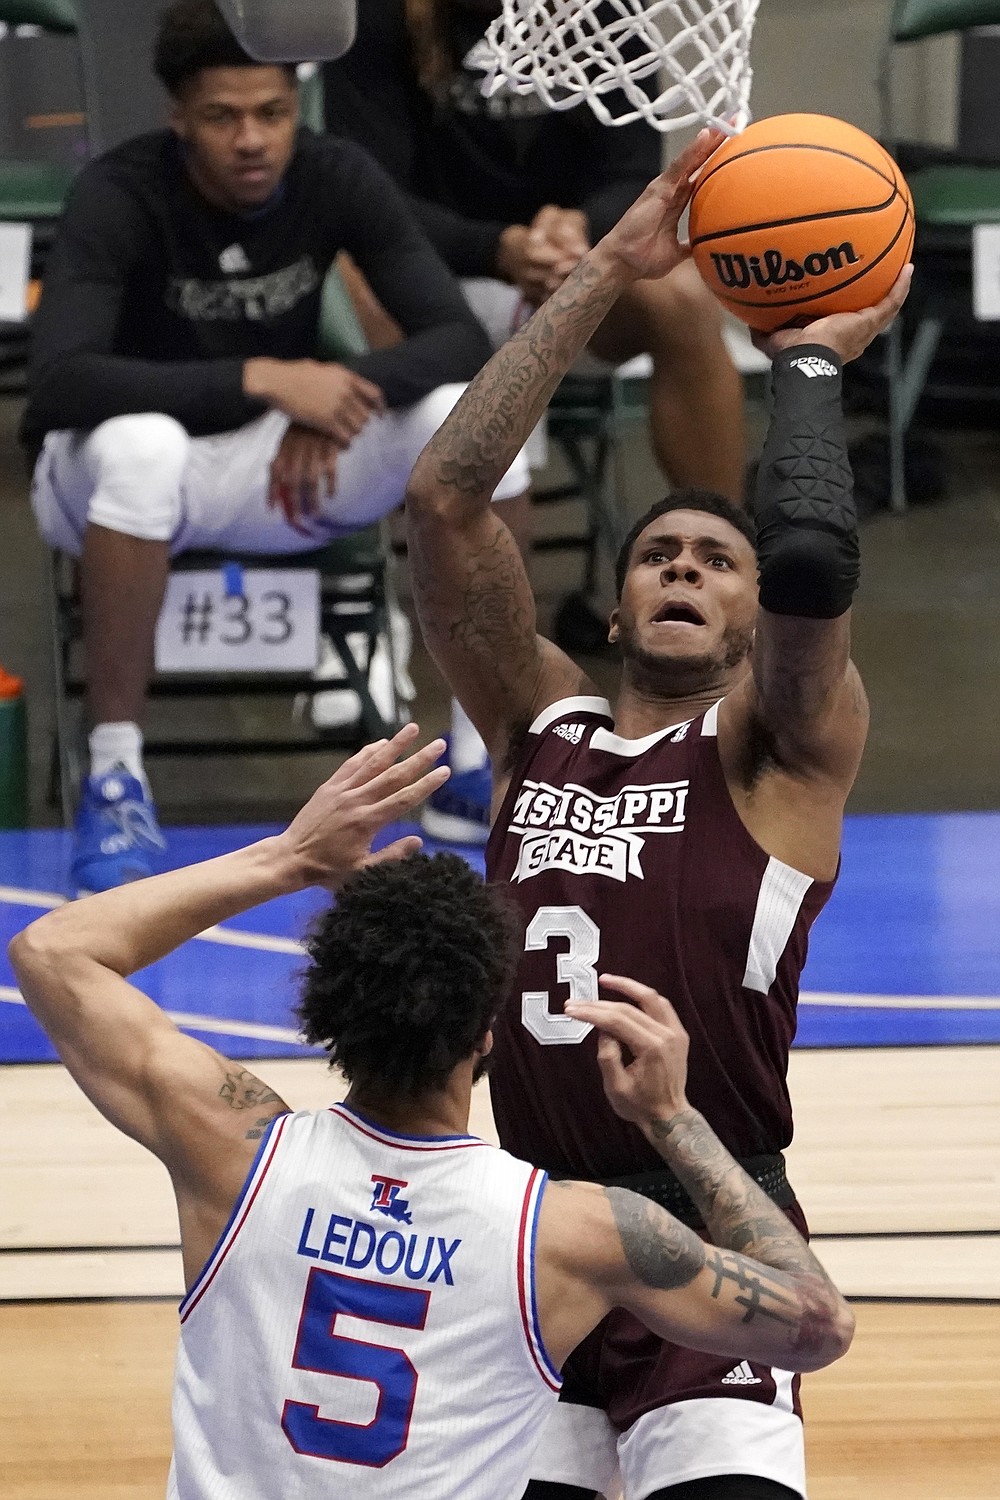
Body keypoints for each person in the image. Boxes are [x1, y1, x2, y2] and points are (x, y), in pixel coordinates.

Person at [404, 128, 911, 1500]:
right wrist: (609, 274)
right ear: (618, 605)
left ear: (749, 615)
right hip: (537, 1232)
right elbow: (447, 506)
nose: (685, 567)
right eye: (659, 556)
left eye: (716, 561)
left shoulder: (780, 753)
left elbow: (810, 554)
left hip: (713, 1219)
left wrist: (806, 368)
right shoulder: (536, 723)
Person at [8, 723, 853, 1500]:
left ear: (325, 1010)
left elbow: (51, 950)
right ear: (489, 1033)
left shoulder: (232, 1151)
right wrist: (676, 1118)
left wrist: (290, 858)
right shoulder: (569, 1231)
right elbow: (816, 1325)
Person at [22, 0, 530, 896]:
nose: (252, 139)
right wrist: (263, 376)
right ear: (179, 117)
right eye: (222, 117)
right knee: (139, 446)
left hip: (286, 470)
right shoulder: (119, 190)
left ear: (297, 105)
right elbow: (61, 382)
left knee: (472, 419)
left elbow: (456, 337)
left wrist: (336, 391)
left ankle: (482, 753)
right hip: (118, 482)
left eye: (272, 113)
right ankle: (114, 776)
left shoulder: (336, 174)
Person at [322, 0, 748, 840]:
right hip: (433, 278)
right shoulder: (375, 24)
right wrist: (498, 245)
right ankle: (433, 665)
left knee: (687, 301)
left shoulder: (599, 13)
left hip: (565, 276)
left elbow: (633, 166)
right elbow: (366, 195)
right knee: (358, 275)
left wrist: (579, 232)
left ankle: (733, 585)